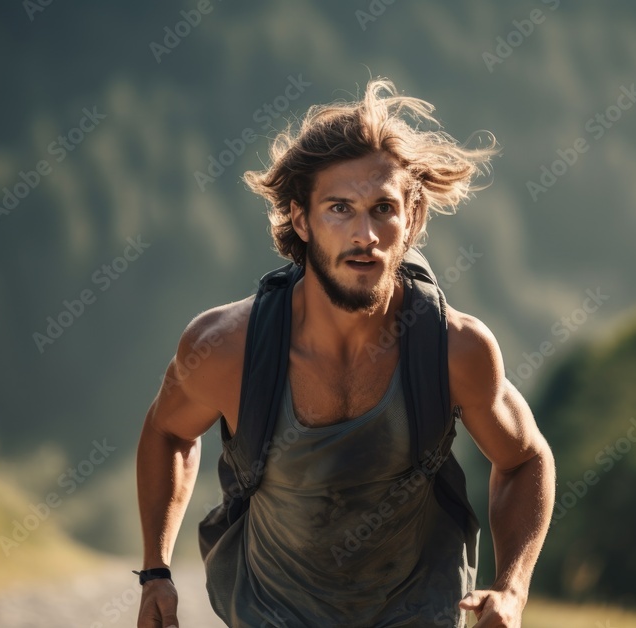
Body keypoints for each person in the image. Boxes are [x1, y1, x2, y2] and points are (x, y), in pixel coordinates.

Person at [136, 77, 555, 628]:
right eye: (340, 208)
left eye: (384, 209)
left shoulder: (455, 349)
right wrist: (156, 574)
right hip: (271, 614)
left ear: (413, 220)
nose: (366, 235)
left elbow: (525, 459)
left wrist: (512, 589)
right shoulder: (224, 348)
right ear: (301, 220)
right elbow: (169, 432)